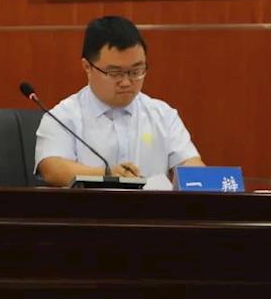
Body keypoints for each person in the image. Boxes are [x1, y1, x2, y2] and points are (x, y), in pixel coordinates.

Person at [35, 15, 204, 187]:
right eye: (115, 73)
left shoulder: (163, 115)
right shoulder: (62, 117)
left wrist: (196, 177)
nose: (126, 82)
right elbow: (52, 168)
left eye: (136, 71)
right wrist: (107, 176)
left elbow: (191, 165)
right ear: (87, 67)